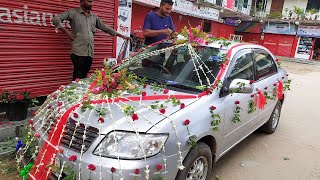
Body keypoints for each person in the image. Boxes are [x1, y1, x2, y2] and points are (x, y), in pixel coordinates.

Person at [52, 0, 130, 81]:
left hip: (89, 52)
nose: (91, 4)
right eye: (89, 1)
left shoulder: (94, 17)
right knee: (78, 75)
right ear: (82, 2)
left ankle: (81, 92)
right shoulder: (73, 13)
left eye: (92, 2)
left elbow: (105, 27)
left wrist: (122, 35)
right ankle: (75, 91)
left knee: (84, 75)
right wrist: (67, 33)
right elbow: (55, 19)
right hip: (78, 51)